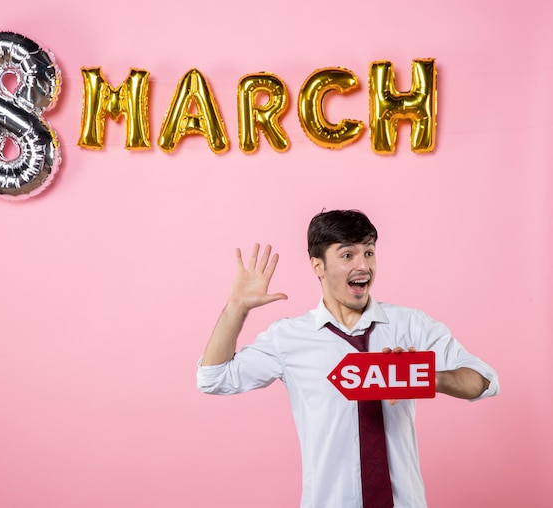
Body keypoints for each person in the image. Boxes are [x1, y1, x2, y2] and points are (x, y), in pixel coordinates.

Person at [196, 209, 499, 508]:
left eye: (369, 253)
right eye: (347, 255)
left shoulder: (411, 326)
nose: (363, 266)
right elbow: (213, 378)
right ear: (318, 266)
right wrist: (237, 307)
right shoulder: (288, 337)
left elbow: (483, 381)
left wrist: (421, 376)